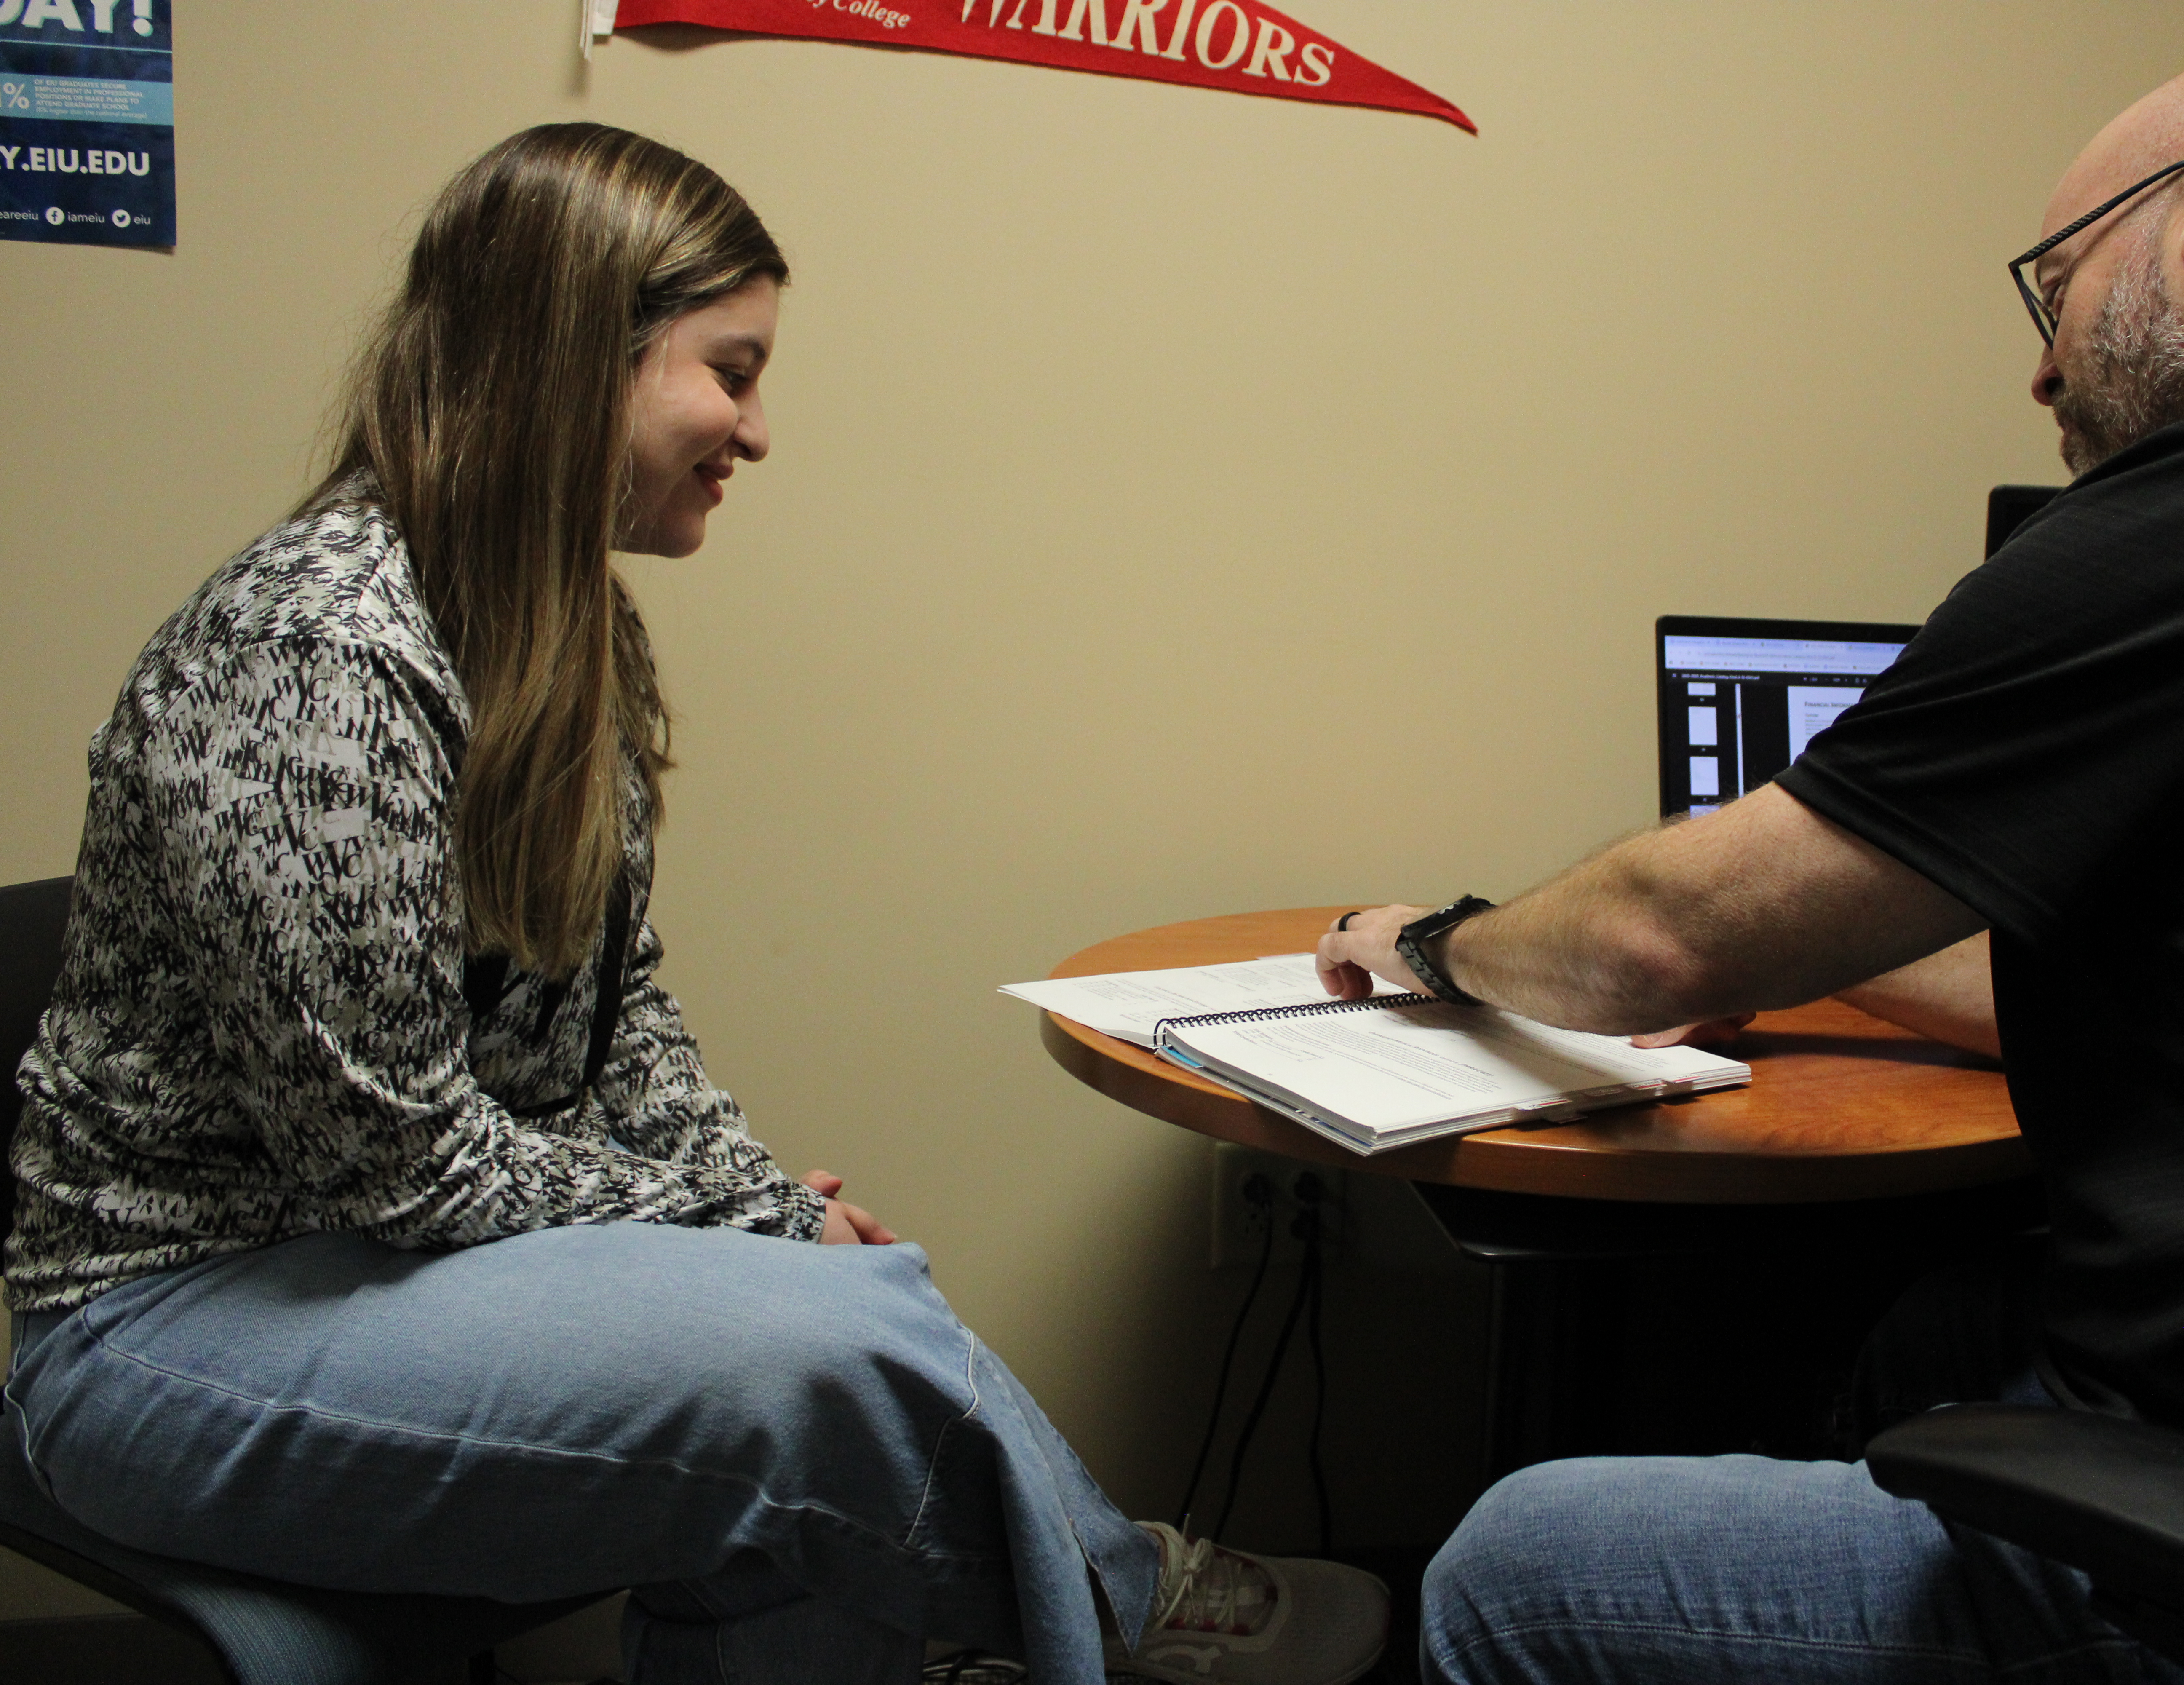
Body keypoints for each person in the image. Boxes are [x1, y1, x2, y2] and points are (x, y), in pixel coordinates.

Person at [2, 123, 1387, 1685]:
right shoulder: (313, 659)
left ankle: (1072, 1605)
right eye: (730, 370)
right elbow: (394, 1171)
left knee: (836, 1339)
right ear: (576, 356)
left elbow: (618, 1023)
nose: (758, 429)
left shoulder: (565, 629)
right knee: (839, 1358)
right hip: (167, 1333)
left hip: (410, 1273)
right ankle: (1123, 1609)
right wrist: (751, 1226)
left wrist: (761, 1215)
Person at [1316, 46, 2184, 1685]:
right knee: (1936, 1327)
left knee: (1513, 1565)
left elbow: (1656, 944)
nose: (2042, 373)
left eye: (2056, 284)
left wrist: (1435, 940)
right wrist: (1827, 935)